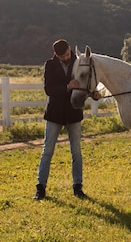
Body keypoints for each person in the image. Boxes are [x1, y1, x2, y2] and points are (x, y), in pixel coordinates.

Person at [33, 39, 98, 200]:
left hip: (73, 113)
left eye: (68, 53)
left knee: (76, 151)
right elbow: (49, 89)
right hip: (54, 113)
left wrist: (93, 94)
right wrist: (67, 87)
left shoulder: (78, 62)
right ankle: (40, 188)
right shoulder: (50, 65)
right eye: (63, 56)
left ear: (70, 49)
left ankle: (78, 187)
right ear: (57, 55)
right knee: (47, 151)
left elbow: (84, 82)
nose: (67, 57)